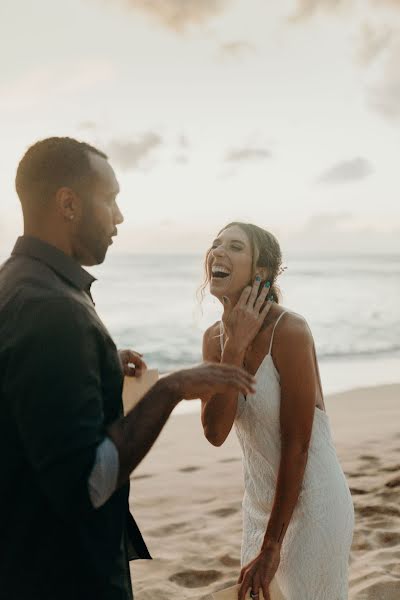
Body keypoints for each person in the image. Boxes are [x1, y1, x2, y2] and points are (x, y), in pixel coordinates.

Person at [0, 138, 256, 600]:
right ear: (69, 203)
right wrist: (172, 389)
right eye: (111, 198)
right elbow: (88, 485)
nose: (119, 216)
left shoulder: (16, 283)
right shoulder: (53, 308)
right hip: (63, 575)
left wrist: (97, 369)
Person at [200, 222, 355, 600]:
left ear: (261, 272)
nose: (217, 252)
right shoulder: (213, 340)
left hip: (314, 501)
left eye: (234, 247)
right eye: (216, 244)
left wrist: (272, 546)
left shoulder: (290, 331)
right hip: (258, 506)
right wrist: (233, 348)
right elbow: (216, 432)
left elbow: (298, 444)